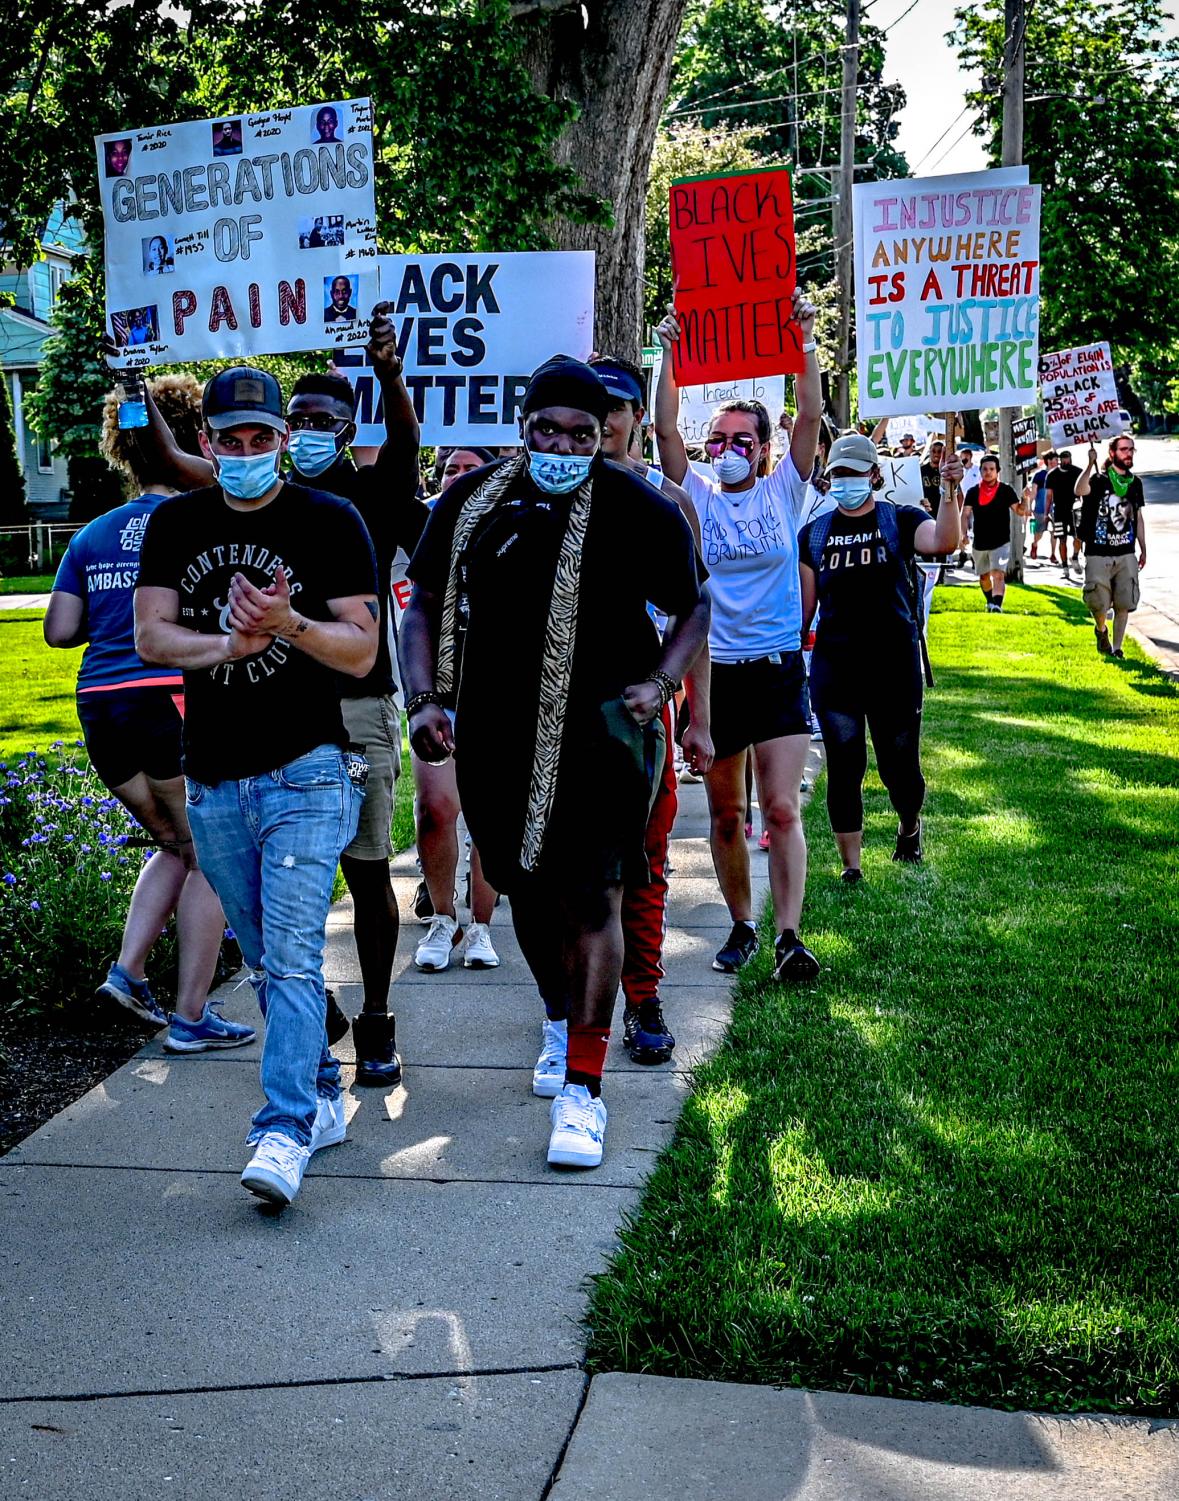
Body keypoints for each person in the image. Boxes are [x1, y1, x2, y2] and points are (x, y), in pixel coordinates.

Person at [402, 357, 709, 1169]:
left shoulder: (638, 506)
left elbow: (694, 602)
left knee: (596, 893)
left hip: (607, 732)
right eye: (549, 429)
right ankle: (554, 1012)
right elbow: (425, 599)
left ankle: (583, 1086)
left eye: (584, 431)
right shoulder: (471, 504)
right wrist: (424, 697)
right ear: (523, 427)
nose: (566, 444)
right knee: (521, 886)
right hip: (496, 734)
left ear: (606, 432)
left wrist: (663, 680)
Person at [125, 308, 427, 1090]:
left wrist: (391, 372)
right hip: (247, 729)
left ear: (337, 429)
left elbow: (405, 439)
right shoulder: (220, 493)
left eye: (322, 422)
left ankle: (376, 1021)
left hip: (353, 706)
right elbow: (170, 452)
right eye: (298, 417)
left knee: (363, 869)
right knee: (270, 918)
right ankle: (307, 1013)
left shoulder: (361, 497)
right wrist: (133, 386)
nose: (303, 432)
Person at [134, 365, 380, 1207]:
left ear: (284, 439)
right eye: (229, 441)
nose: (245, 453)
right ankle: (318, 1082)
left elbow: (361, 650)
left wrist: (287, 625)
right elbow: (153, 636)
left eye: (261, 439)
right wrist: (229, 649)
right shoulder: (177, 522)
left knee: (290, 953)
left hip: (309, 770)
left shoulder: (329, 519)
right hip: (213, 781)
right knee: (271, 964)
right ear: (205, 442)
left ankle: (282, 1129)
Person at [43, 376, 254, 1056]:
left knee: (178, 844)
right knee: (215, 856)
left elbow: (57, 630)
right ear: (195, 433)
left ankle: (128, 973)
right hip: (171, 694)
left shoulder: (93, 534)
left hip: (101, 706)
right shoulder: (203, 515)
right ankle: (191, 1014)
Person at [653, 291, 824, 984]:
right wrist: (666, 352)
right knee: (725, 813)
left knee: (780, 808)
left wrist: (806, 339)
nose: (726, 451)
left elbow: (810, 412)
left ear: (765, 449)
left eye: (740, 441)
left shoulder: (784, 490)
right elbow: (662, 430)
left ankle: (789, 934)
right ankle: (742, 924)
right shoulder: (692, 491)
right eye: (717, 440)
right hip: (716, 676)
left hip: (777, 669)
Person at [589, 353, 715, 1066]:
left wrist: (695, 712)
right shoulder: (544, 495)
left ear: (638, 415)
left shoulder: (668, 502)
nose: (604, 419)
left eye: (617, 405)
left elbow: (694, 616)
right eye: (591, 403)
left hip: (638, 717)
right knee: (567, 870)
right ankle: (566, 1010)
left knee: (644, 862)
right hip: (556, 715)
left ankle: (643, 995)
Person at [799, 433, 964, 879]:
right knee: (844, 761)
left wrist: (950, 492)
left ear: (874, 475)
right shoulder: (813, 534)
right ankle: (851, 866)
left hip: (893, 666)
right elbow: (804, 609)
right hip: (836, 669)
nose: (846, 481)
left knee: (899, 766)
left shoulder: (901, 520)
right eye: (838, 474)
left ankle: (909, 824)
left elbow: (944, 541)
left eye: (854, 473)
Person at [1075, 435, 1147, 658]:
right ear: (1112, 453)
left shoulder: (1135, 483)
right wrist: (1089, 463)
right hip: (1098, 552)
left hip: (1125, 552)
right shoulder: (1098, 479)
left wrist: (1143, 547)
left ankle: (1117, 649)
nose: (1128, 453)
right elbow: (1079, 490)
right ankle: (1101, 630)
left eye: (1131, 450)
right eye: (1124, 449)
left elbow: (1138, 517)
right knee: (1099, 603)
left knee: (1124, 602)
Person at [962, 454, 1025, 612]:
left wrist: (1026, 499)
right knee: (984, 577)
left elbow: (1019, 511)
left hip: (1001, 540)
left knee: (998, 574)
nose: (988, 472)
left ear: (998, 471)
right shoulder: (973, 492)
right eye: (985, 469)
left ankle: (997, 605)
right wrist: (963, 534)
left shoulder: (1006, 490)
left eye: (991, 469)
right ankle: (990, 601)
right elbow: (965, 514)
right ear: (981, 471)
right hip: (980, 542)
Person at [1046, 448, 1083, 577]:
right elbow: (1049, 496)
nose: (1066, 461)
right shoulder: (1052, 474)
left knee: (1078, 536)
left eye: (1068, 458)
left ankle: (1075, 556)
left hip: (1075, 509)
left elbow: (1084, 490)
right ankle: (1064, 566)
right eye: (1063, 458)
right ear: (1060, 460)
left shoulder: (1077, 472)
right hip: (1059, 511)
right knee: (1062, 539)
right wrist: (1046, 513)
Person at [1026, 450, 1058, 562]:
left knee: (1055, 532)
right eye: (1055, 460)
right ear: (1049, 461)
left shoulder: (1059, 474)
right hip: (1040, 509)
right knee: (1039, 532)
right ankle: (1034, 544)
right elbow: (1033, 493)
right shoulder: (1039, 475)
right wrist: (1029, 507)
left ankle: (1053, 554)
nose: (1057, 462)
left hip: (1055, 509)